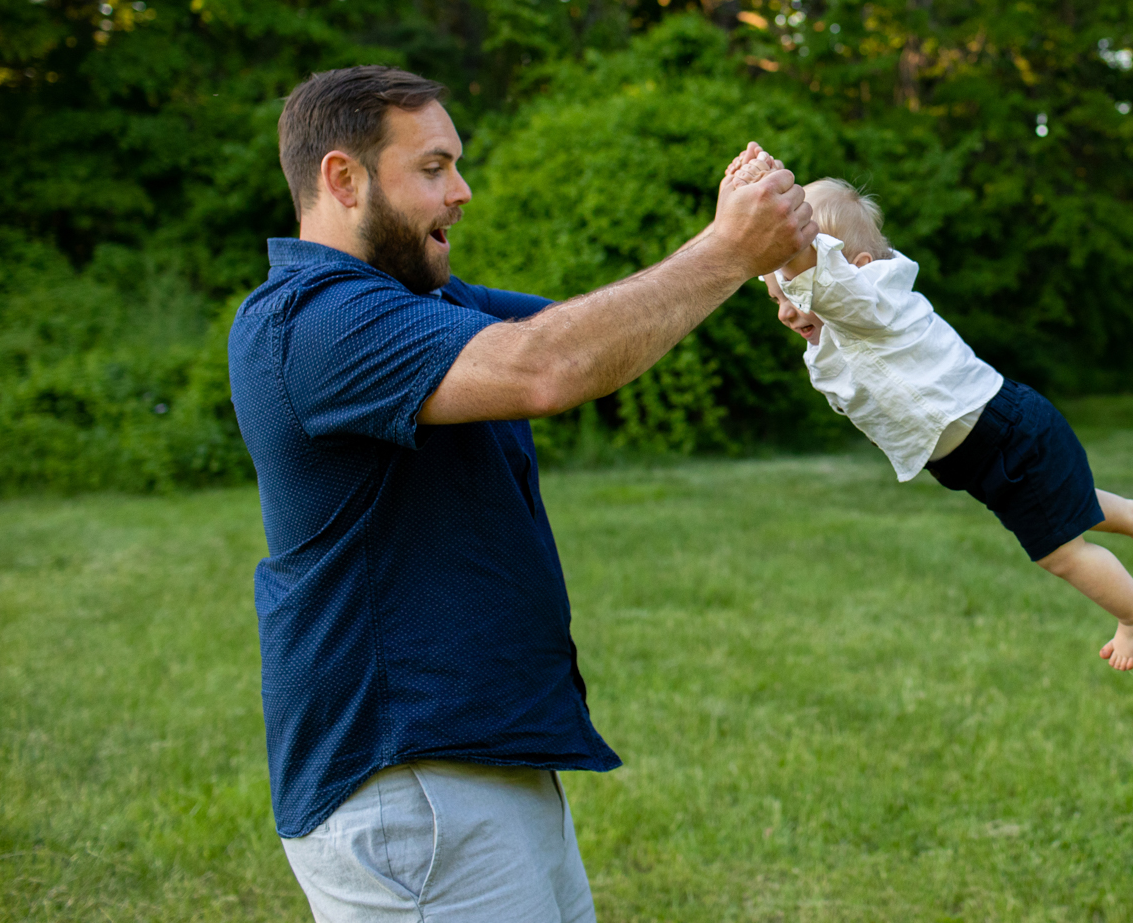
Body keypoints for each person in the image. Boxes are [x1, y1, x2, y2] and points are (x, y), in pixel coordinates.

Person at [228, 67, 814, 923]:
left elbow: (597, 329)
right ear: (343, 178)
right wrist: (727, 249)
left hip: (472, 767)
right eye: (433, 167)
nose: (461, 191)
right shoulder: (311, 321)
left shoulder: (411, 303)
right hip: (410, 788)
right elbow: (548, 366)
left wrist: (769, 273)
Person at [730, 146, 1133, 671]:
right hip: (977, 457)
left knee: (1059, 550)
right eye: (777, 297)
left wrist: (778, 205)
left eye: (795, 290)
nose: (786, 310)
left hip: (1006, 434)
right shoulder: (833, 337)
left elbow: (823, 282)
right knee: (1057, 498)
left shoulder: (872, 303)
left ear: (859, 269)